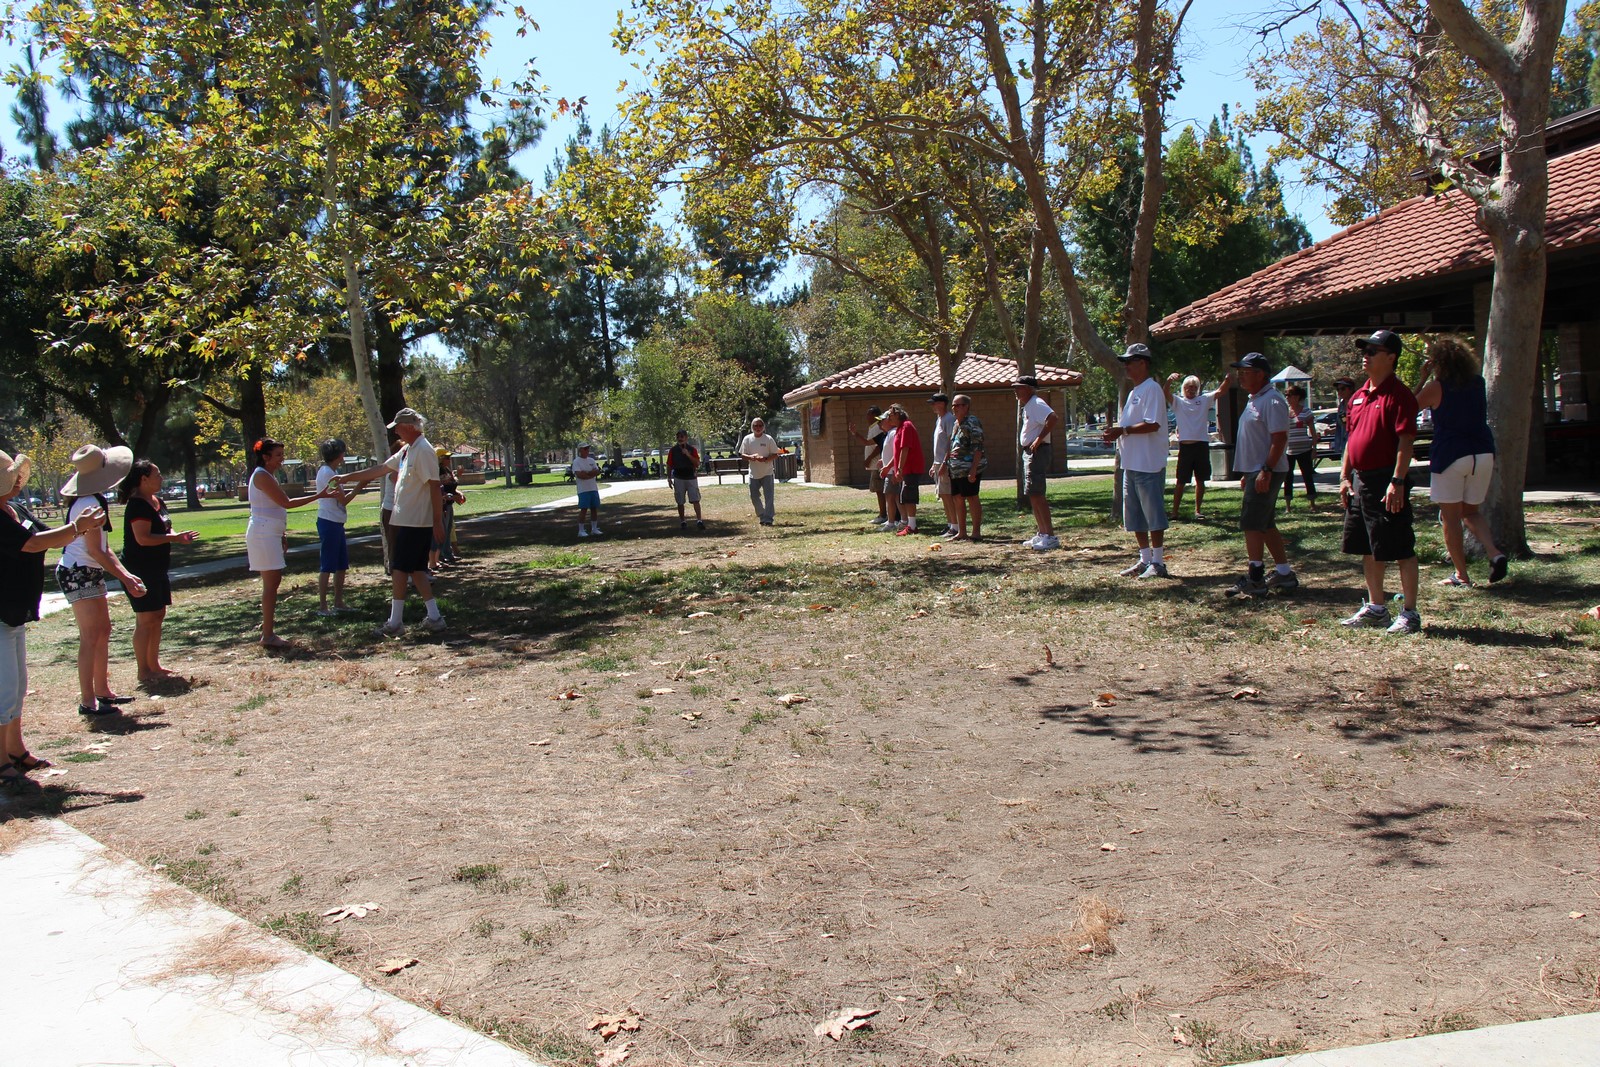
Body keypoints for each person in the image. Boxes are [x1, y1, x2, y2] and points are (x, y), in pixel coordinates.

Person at [2, 451, 113, 788]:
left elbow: (48, 537)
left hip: (14, 609)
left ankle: (15, 750)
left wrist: (77, 530)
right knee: (4, 689)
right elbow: (32, 544)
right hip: (1, 610)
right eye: (11, 476)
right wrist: (78, 527)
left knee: (17, 685)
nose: (18, 481)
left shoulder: (14, 509)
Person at [1339, 330, 1423, 634]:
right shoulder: (1358, 396)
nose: (1366, 356)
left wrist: (1397, 481)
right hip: (1360, 481)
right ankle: (1376, 609)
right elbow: (1351, 440)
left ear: (1391, 357)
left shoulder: (1399, 395)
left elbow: (1405, 441)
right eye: (1365, 351)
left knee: (1399, 546)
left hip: (1387, 480)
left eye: (1373, 351)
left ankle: (1410, 613)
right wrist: (1344, 477)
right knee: (1368, 546)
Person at [337, 408, 448, 637]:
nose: (396, 431)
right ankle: (435, 618)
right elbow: (381, 469)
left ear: (408, 427)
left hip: (415, 522)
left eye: (398, 427)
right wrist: (347, 477)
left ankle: (395, 622)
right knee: (416, 569)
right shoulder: (407, 450)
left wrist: (437, 521)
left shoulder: (424, 451)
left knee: (399, 569)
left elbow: (434, 486)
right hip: (406, 520)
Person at [57, 444, 148, 716]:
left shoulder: (92, 500)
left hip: (87, 570)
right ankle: (88, 701)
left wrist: (126, 575)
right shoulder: (90, 503)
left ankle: (102, 691)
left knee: (102, 630)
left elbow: (103, 548)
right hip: (78, 571)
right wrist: (126, 578)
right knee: (91, 635)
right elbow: (96, 551)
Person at [1415, 338, 1509, 586]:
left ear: (1438, 362)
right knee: (1471, 512)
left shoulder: (1436, 387)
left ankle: (1461, 575)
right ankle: (1494, 553)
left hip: (1451, 455)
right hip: (1482, 452)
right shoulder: (1478, 383)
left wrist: (1422, 378)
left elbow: (1407, 409)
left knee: (1450, 518)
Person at [1223, 353, 1298, 598]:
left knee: (1252, 523)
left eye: (1246, 372)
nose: (1241, 376)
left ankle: (1255, 578)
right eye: (1240, 372)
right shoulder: (1255, 399)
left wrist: (1265, 470)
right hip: (1256, 470)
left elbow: (1279, 439)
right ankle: (1284, 573)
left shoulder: (1272, 401)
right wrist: (1249, 472)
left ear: (1261, 374)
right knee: (1265, 524)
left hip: (1267, 469)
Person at [119, 459, 199, 684]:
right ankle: (143, 671)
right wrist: (173, 538)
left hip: (158, 567)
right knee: (146, 619)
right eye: (157, 474)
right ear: (143, 479)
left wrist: (178, 535)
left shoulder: (156, 501)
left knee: (158, 615)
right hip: (140, 569)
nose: (161, 478)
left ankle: (154, 665)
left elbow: (165, 527)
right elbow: (142, 538)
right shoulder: (137, 505)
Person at [247, 437, 333, 648]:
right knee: (271, 584)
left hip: (270, 533)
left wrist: (282, 534)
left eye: (282, 455)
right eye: (278, 455)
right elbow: (286, 503)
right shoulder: (262, 475)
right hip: (263, 534)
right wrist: (320, 495)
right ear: (265, 457)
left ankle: (268, 633)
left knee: (273, 583)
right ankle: (268, 636)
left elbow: (274, 507)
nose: (282, 459)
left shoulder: (267, 475)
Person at [1103, 345, 1170, 577]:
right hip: (1131, 463)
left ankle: (1158, 562)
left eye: (1130, 361)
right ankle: (1145, 559)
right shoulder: (1133, 393)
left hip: (1148, 463)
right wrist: (1116, 432)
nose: (1126, 366)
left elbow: (1153, 424)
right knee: (1134, 515)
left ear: (1143, 363)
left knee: (1153, 513)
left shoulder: (1152, 389)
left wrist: (1122, 431)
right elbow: (1128, 426)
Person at [1167, 372, 1229, 520]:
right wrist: (1169, 381)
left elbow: (1220, 391)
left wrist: (1227, 379)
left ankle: (1198, 510)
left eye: (1194, 387)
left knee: (1201, 480)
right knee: (1181, 481)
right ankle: (1175, 512)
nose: (1191, 390)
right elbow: (1165, 393)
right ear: (1183, 388)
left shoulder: (1204, 400)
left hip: (1201, 445)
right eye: (1188, 387)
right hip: (1186, 447)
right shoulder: (1178, 402)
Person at [314, 439, 360, 616]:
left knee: (341, 565)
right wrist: (360, 485)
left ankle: (338, 602)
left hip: (337, 522)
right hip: (329, 522)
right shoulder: (328, 474)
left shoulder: (332, 472)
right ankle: (323, 606)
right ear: (339, 454)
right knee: (327, 565)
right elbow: (344, 500)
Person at [1015, 374, 1061, 550]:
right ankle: (1042, 533)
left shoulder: (1036, 403)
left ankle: (1050, 536)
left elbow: (1053, 418)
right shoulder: (1028, 406)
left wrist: (1038, 439)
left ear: (1029, 389)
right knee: (1032, 493)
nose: (1016, 391)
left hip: (1037, 451)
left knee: (1037, 493)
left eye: (1019, 388)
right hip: (1030, 452)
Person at [879, 404, 925, 535]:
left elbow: (905, 449)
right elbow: (898, 452)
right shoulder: (900, 428)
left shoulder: (906, 426)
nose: (888, 418)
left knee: (909, 496)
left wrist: (899, 469)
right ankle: (910, 524)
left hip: (911, 467)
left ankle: (912, 526)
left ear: (898, 414)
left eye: (890, 415)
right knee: (904, 496)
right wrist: (889, 467)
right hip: (905, 468)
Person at [946, 394, 986, 541]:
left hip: (968, 468)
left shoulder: (972, 422)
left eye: (957, 405)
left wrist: (973, 469)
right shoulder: (956, 423)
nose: (954, 408)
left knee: (971, 497)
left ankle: (976, 532)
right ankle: (961, 532)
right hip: (955, 469)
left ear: (966, 406)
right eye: (953, 405)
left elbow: (978, 447)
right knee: (957, 498)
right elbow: (952, 445)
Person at [1282, 385, 1320, 512]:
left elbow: (1313, 432)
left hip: (1304, 450)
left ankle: (1312, 504)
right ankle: (1288, 506)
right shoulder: (1284, 412)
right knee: (1288, 478)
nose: (1287, 398)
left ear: (1297, 397)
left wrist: (1314, 448)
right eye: (1286, 395)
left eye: (1290, 395)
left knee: (1307, 476)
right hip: (1289, 451)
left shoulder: (1306, 411)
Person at [847, 408, 888, 524]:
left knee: (880, 490)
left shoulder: (877, 428)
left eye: (868, 414)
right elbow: (867, 442)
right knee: (879, 489)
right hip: (875, 464)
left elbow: (879, 446)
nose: (866, 417)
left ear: (874, 415)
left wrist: (869, 458)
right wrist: (855, 433)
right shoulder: (873, 427)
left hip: (877, 464)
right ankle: (885, 514)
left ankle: (883, 515)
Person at [738, 418, 782, 526]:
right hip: (753, 473)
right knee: (753, 495)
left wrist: (766, 459)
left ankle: (768, 518)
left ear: (763, 427)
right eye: (755, 426)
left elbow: (776, 454)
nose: (758, 428)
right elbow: (742, 455)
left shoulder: (768, 439)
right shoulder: (747, 439)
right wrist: (751, 457)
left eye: (760, 425)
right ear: (752, 427)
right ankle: (762, 514)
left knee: (769, 497)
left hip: (767, 472)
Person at [927, 393, 959, 537]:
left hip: (946, 463)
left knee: (948, 495)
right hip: (939, 462)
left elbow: (951, 442)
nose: (932, 406)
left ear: (942, 403)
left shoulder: (949, 419)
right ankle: (950, 524)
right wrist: (934, 464)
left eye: (934, 403)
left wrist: (945, 462)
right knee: (943, 495)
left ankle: (955, 526)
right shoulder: (939, 420)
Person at [431, 447, 462, 570]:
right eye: (447, 457)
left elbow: (452, 485)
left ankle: (448, 554)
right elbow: (439, 488)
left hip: (449, 504)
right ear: (440, 459)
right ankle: (439, 557)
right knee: (442, 531)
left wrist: (457, 494)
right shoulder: (436, 471)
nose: (449, 460)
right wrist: (448, 496)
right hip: (441, 504)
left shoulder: (447, 470)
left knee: (448, 530)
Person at [667, 430, 705, 531]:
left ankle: (699, 521)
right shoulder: (673, 450)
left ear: (686, 438)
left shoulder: (692, 449)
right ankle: (683, 521)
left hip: (691, 477)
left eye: (682, 436)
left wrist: (688, 454)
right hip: (678, 477)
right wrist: (669, 478)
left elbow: (697, 463)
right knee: (680, 501)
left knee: (695, 499)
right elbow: (669, 464)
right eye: (678, 437)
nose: (680, 438)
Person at [570, 444, 603, 537]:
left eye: (588, 448)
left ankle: (594, 528)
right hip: (583, 490)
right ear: (580, 450)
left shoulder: (591, 460)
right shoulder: (576, 461)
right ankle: (581, 530)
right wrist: (590, 474)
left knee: (594, 508)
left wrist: (587, 473)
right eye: (585, 449)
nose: (587, 450)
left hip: (593, 488)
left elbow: (597, 471)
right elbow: (580, 475)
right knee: (584, 509)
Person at [1332, 377, 1357, 456]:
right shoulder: (1341, 406)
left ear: (1351, 389)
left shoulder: (1357, 403)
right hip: (1344, 445)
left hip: (1356, 444)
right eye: (1338, 389)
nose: (1340, 391)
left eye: (1343, 389)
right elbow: (1342, 425)